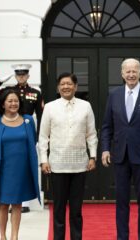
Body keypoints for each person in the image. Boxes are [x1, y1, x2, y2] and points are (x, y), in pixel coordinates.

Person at [101, 58, 140, 240]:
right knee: (121, 201)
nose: (131, 74)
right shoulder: (114, 95)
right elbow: (106, 126)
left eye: (134, 71)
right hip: (120, 156)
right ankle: (122, 237)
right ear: (122, 74)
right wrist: (105, 149)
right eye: (127, 71)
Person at [38, 72, 98, 240]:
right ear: (58, 87)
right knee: (58, 208)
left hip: (80, 164)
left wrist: (92, 156)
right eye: (62, 84)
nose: (66, 86)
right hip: (57, 164)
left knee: (76, 209)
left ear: (75, 86)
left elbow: (91, 134)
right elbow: (43, 137)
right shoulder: (50, 107)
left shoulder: (85, 106)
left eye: (69, 84)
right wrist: (44, 160)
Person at [0, 89, 41, 240]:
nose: (13, 104)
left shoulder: (28, 120)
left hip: (21, 169)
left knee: (17, 204)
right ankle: (3, 236)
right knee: (3, 204)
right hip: (3, 169)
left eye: (16, 101)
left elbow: (32, 141)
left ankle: (14, 236)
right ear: (3, 104)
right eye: (10, 101)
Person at [0, 64, 43, 212]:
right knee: (12, 167)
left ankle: (24, 202)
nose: (21, 77)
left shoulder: (35, 92)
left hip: (26, 131)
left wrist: (39, 137)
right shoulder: (9, 92)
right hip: (9, 129)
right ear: (15, 76)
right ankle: (11, 199)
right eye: (18, 75)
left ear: (28, 76)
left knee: (24, 165)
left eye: (24, 75)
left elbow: (41, 115)